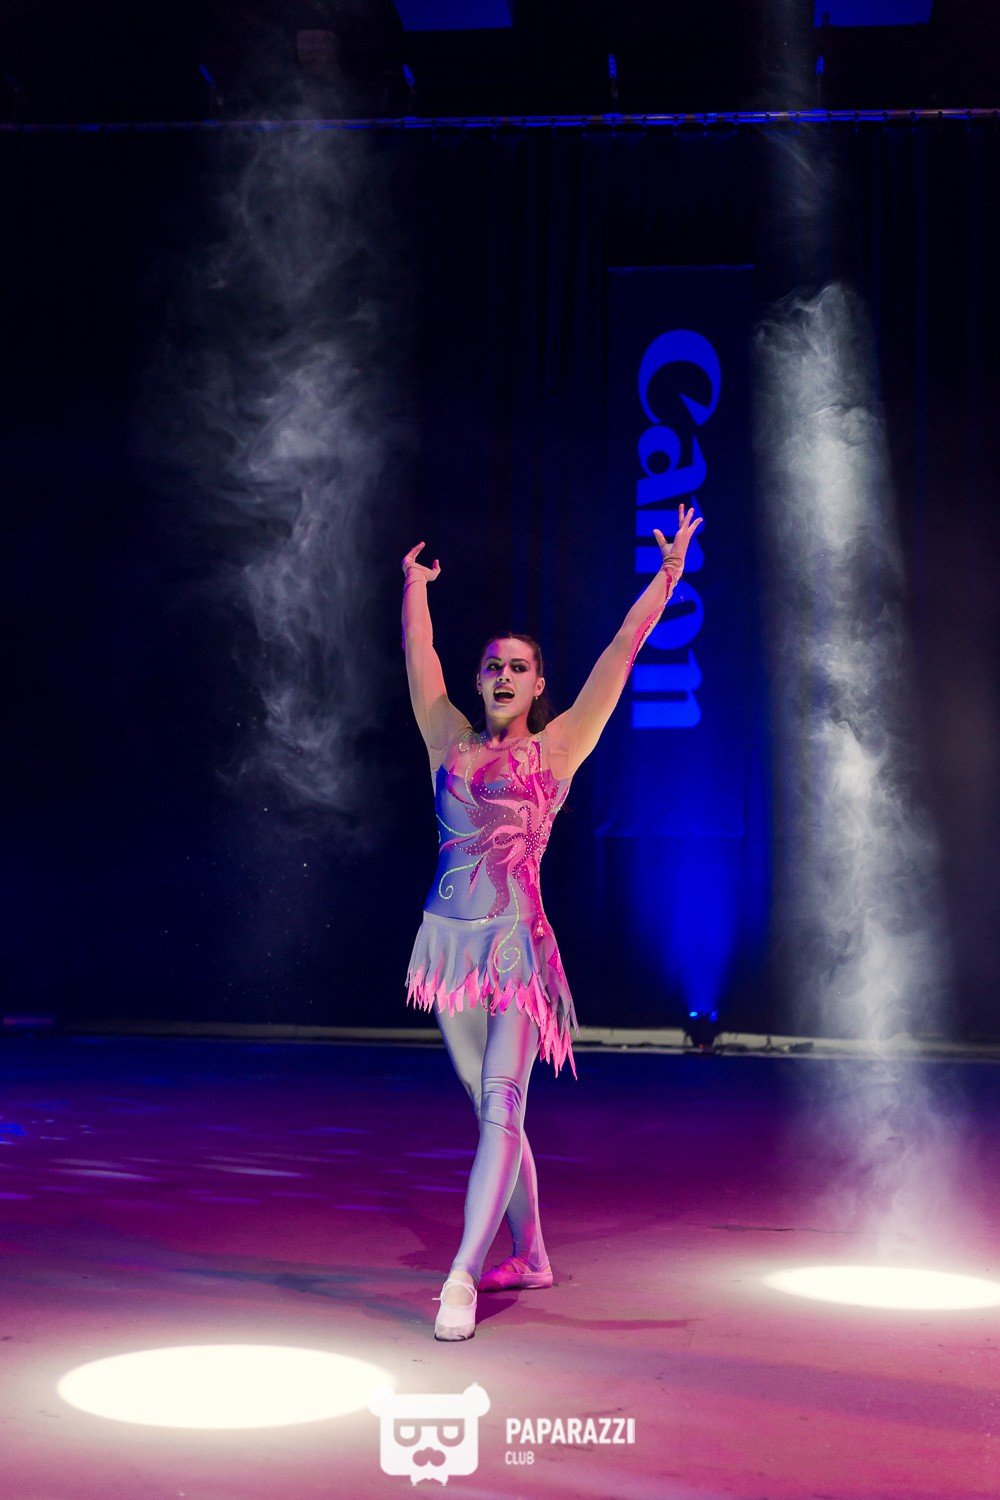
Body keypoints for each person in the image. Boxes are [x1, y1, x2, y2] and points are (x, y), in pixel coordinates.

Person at [400, 503, 703, 1340]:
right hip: (448, 946)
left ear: (539, 685)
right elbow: (419, 655)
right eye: (493, 665)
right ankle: (531, 1254)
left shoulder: (560, 746)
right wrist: (415, 589)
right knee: (488, 1107)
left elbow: (621, 653)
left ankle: (462, 1274)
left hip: (516, 949)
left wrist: (667, 578)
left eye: (519, 667)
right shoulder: (447, 740)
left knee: (503, 1102)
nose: (503, 675)